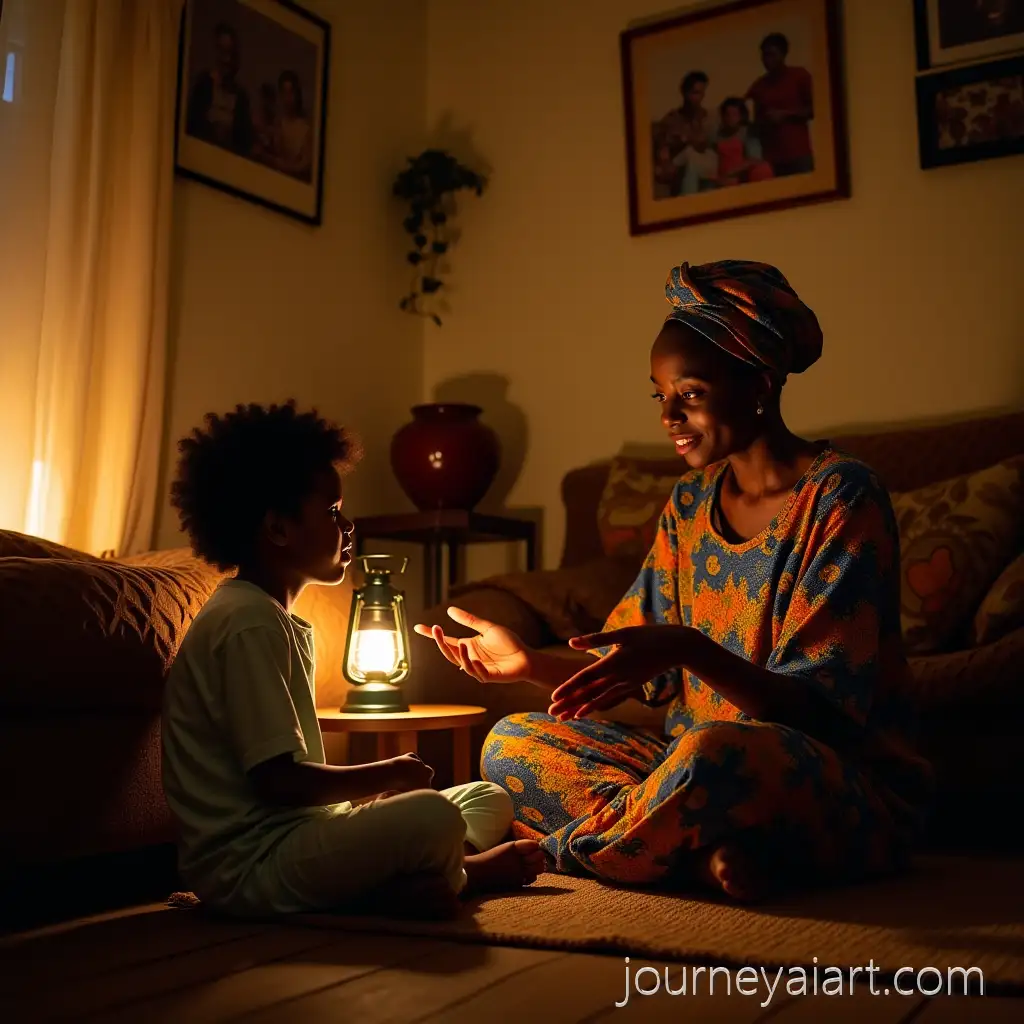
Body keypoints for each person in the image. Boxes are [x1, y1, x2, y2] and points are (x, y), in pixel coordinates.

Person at [416, 261, 933, 902]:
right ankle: (700, 858)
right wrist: (529, 664)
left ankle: (567, 850)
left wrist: (690, 648)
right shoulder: (689, 503)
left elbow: (817, 711)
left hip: (820, 775)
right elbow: (632, 663)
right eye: (658, 396)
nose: (669, 415)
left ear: (758, 386)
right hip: (689, 766)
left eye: (689, 393)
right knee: (514, 741)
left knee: (713, 754)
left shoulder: (842, 497)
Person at [162, 401, 543, 920]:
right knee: (431, 815)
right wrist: (386, 775)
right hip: (253, 866)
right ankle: (465, 873)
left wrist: (366, 803)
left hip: (303, 835)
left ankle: (419, 879)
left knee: (486, 796)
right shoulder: (247, 622)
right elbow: (277, 782)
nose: (348, 526)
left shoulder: (271, 617)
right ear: (278, 528)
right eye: (332, 512)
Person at [745, 33, 814, 177]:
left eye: (772, 55)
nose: (767, 60)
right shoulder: (759, 86)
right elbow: (754, 121)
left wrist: (786, 115)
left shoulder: (800, 76)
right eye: (764, 55)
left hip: (798, 154)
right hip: (771, 159)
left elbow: (815, 109)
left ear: (783, 54)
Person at [185, 22, 254, 156]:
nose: (227, 60)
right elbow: (192, 125)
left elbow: (245, 141)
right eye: (223, 52)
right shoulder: (204, 84)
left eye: (231, 53)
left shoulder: (241, 97)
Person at [652, 71, 716, 196]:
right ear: (684, 93)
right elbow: (662, 150)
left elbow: (711, 146)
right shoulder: (672, 120)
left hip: (707, 164)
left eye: (701, 93)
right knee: (690, 158)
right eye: (694, 93)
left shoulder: (709, 118)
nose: (698, 98)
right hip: (682, 168)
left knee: (692, 156)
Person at [712, 97, 774, 187]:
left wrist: (733, 172)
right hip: (722, 178)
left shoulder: (748, 132)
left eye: (734, 114)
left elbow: (755, 159)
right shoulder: (718, 135)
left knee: (763, 169)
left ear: (741, 116)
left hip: (741, 177)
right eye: (727, 115)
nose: (730, 118)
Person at [272, 70, 314, 182]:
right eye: (284, 93)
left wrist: (281, 165)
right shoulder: (278, 123)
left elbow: (304, 166)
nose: (288, 98)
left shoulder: (306, 128)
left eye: (291, 93)